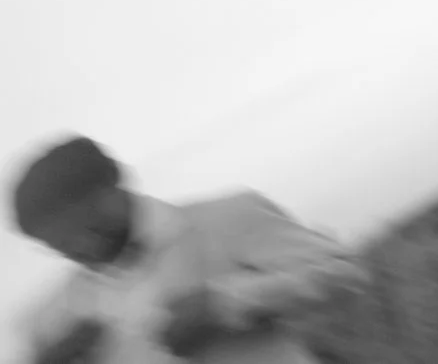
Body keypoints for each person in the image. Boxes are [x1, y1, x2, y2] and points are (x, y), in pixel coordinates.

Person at [12, 135, 362, 364]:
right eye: (61, 247)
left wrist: (227, 303)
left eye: (84, 227)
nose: (80, 249)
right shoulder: (57, 317)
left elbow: (345, 275)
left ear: (114, 184)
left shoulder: (225, 217)